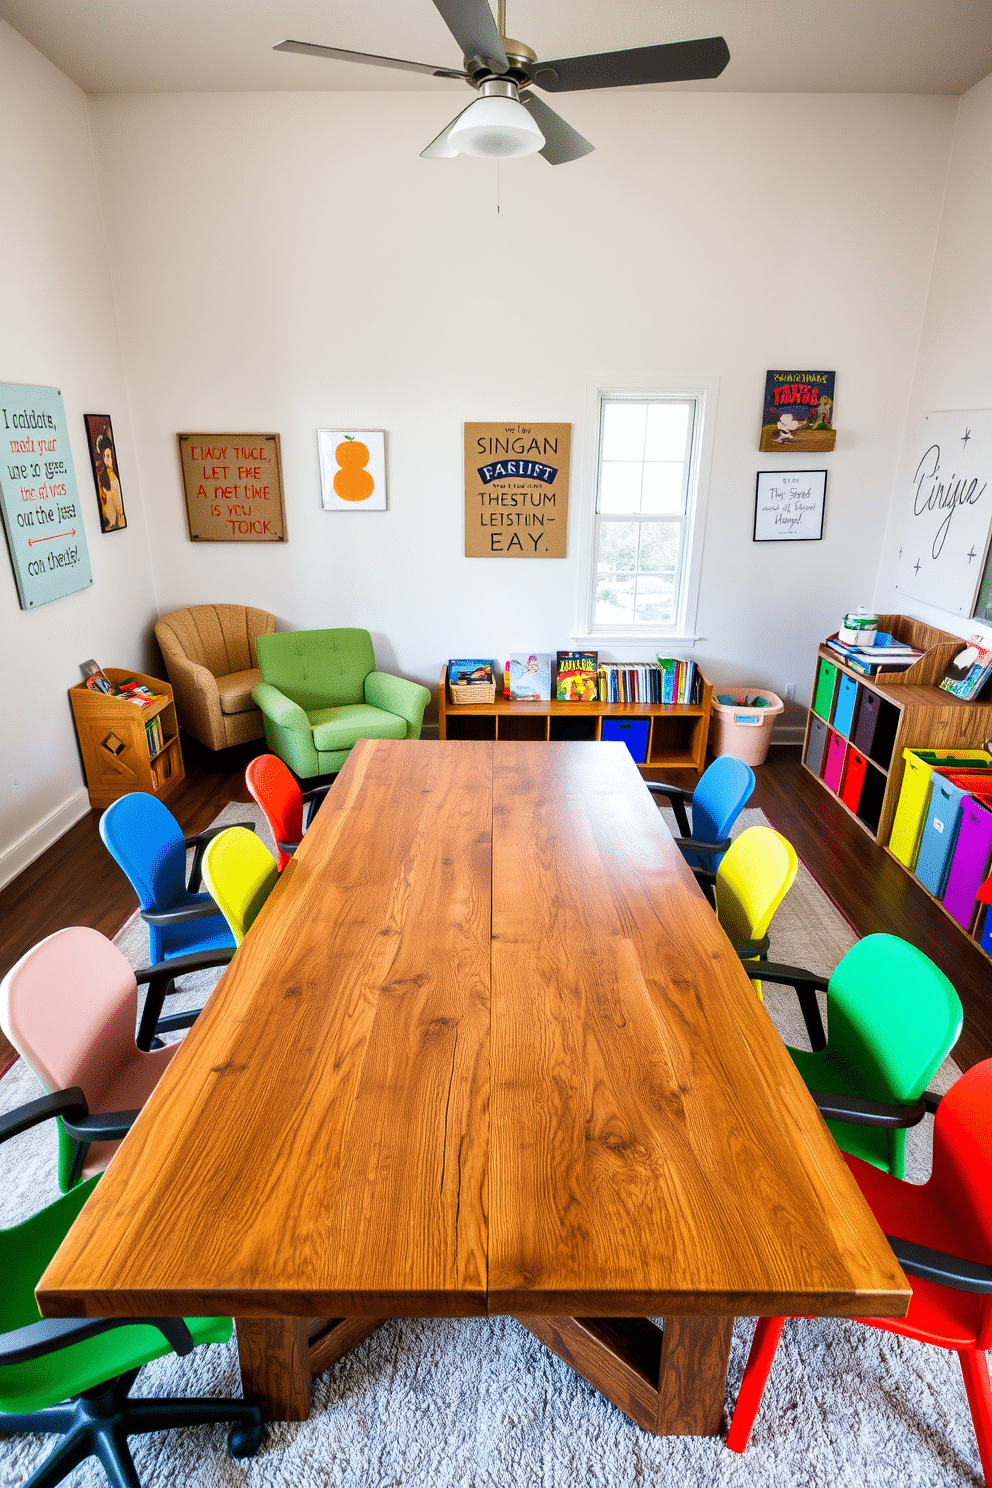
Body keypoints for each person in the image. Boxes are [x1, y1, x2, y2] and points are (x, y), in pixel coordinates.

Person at [95, 430, 126, 531]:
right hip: (114, 521)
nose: (106, 460)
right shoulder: (109, 476)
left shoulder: (113, 476)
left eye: (108, 456)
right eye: (104, 456)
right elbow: (114, 506)